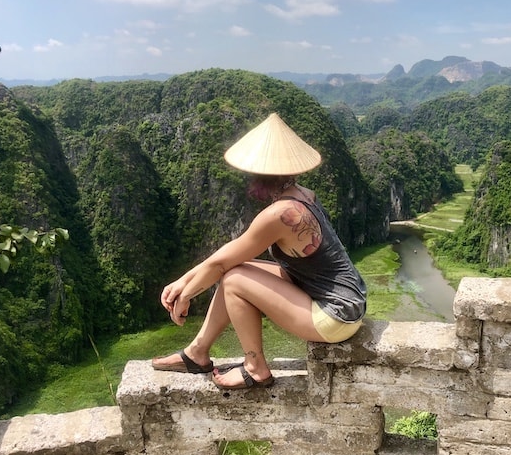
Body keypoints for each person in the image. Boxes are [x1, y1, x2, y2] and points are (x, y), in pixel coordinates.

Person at [152, 112, 367, 390]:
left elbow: (220, 266)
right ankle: (197, 352)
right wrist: (183, 282)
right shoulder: (305, 194)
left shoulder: (281, 214)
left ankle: (255, 368)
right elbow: (225, 257)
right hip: (346, 300)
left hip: (335, 315)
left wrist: (186, 295)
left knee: (234, 280)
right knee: (234, 270)